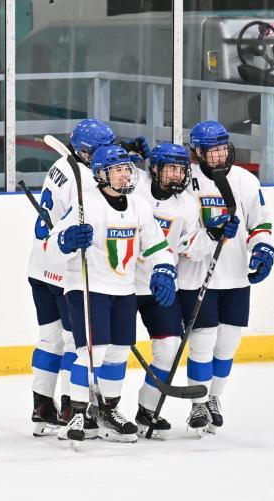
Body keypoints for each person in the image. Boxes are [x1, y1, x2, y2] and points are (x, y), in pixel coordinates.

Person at [45, 145, 175, 443]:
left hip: (124, 289)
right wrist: (66, 240)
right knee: (92, 352)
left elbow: (157, 246)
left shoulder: (140, 205)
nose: (124, 174)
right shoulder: (85, 205)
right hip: (87, 288)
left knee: (117, 353)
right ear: (100, 175)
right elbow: (51, 250)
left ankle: (107, 411)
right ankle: (78, 413)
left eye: (126, 169)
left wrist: (164, 269)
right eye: (116, 170)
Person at [179, 121, 274, 434]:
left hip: (234, 277)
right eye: (212, 150)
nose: (220, 155)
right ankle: (197, 402)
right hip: (196, 277)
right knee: (202, 343)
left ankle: (213, 399)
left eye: (223, 148)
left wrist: (262, 250)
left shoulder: (245, 181)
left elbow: (260, 225)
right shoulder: (185, 180)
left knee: (227, 346)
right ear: (197, 152)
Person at [131, 142, 232, 437]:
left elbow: (190, 247)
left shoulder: (187, 205)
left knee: (169, 349)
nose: (176, 175)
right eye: (169, 168)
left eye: (180, 169)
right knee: (107, 350)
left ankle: (146, 410)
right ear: (155, 169)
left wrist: (212, 234)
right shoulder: (135, 188)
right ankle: (97, 407)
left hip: (159, 286)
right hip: (121, 283)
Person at [27, 118, 117, 437]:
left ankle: (41, 407)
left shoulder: (62, 165)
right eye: (97, 152)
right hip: (62, 270)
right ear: (82, 152)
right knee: (71, 341)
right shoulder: (84, 182)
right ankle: (69, 406)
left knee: (49, 338)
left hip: (39, 265)